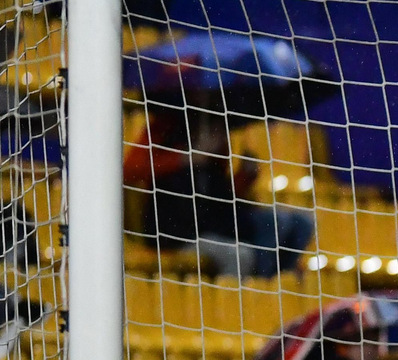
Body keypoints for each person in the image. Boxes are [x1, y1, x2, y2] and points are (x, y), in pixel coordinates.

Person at [124, 98, 314, 278]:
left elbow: (220, 197)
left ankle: (269, 284)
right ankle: (255, 290)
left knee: (299, 223)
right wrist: (189, 157)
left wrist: (245, 176)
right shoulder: (165, 126)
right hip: (178, 234)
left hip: (219, 225)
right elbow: (129, 170)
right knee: (241, 256)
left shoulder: (216, 128)